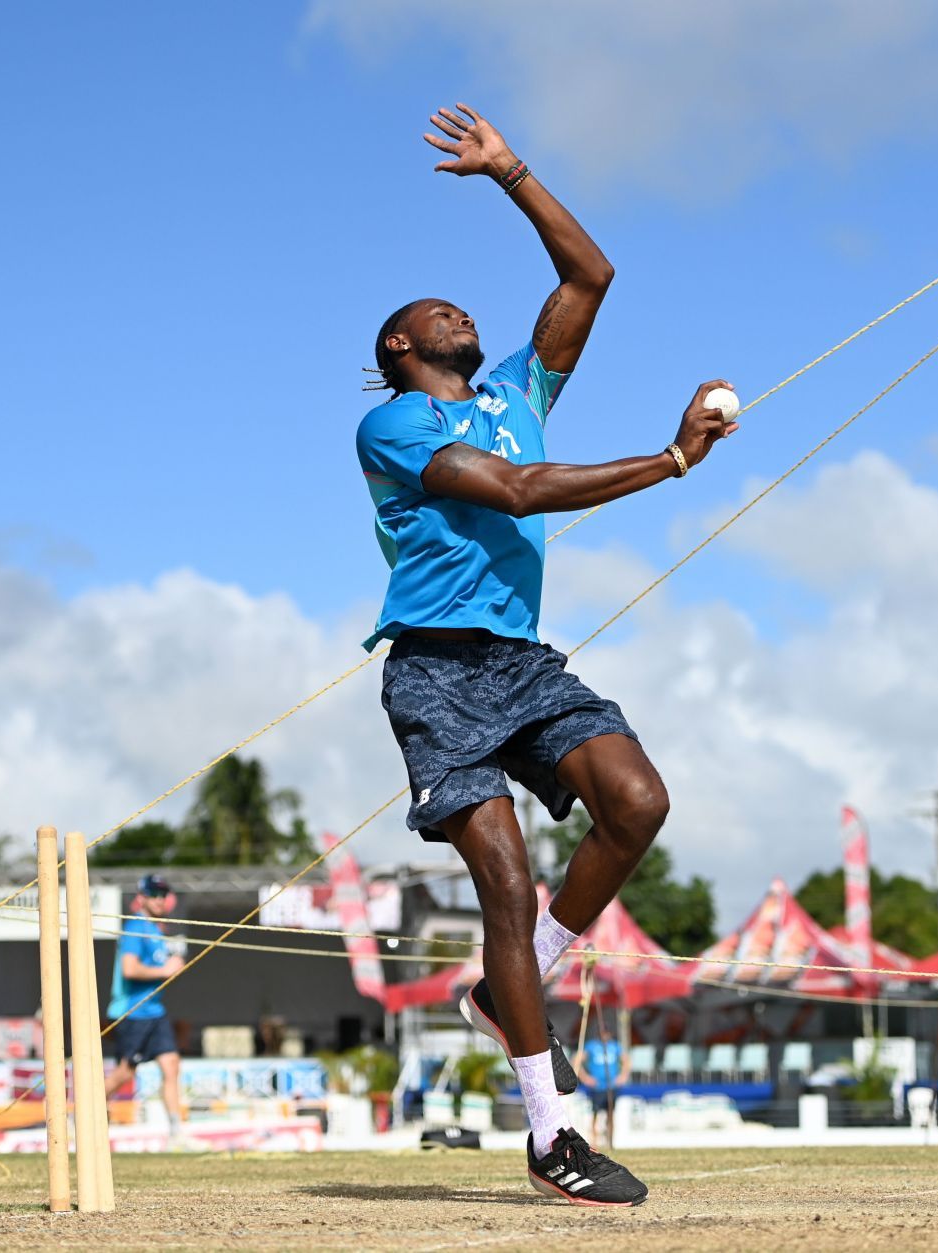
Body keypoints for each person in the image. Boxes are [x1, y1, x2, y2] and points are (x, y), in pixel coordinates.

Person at [356, 102, 737, 1208]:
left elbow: (590, 278)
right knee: (507, 887)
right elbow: (516, 490)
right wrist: (670, 460)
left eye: (462, 305)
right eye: (436, 311)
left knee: (638, 802)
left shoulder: (517, 393)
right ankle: (549, 1133)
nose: (457, 311)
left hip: (521, 662)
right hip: (434, 672)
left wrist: (512, 171)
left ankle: (516, 990)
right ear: (400, 346)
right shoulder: (395, 427)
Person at [103, 874, 187, 1134]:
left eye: (163, 894)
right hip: (132, 1012)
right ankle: (83, 1110)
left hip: (155, 1011)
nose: (159, 900)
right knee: (125, 1074)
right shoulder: (135, 927)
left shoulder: (156, 930)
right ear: (141, 898)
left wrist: (171, 968)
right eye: (154, 894)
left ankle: (176, 1131)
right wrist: (165, 971)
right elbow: (129, 969)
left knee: (171, 1065)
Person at [575, 1017, 629, 1148]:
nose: (605, 1035)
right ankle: (593, 1142)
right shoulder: (591, 1046)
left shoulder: (615, 1046)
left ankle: (610, 1142)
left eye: (607, 1032)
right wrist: (585, 1077)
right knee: (595, 1114)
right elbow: (576, 1061)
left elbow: (626, 1061)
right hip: (597, 1087)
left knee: (611, 1114)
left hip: (611, 1086)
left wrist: (623, 1076)